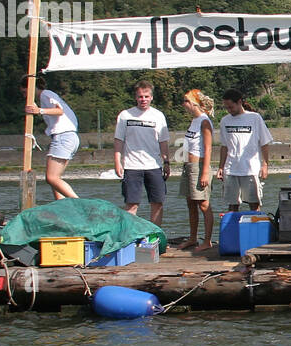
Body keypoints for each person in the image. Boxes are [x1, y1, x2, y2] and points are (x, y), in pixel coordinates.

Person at [113, 80, 170, 225]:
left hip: (154, 166)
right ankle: (129, 238)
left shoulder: (158, 116)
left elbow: (163, 142)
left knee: (157, 203)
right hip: (132, 167)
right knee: (132, 204)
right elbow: (118, 140)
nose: (143, 99)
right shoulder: (125, 115)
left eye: (146, 96)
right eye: (140, 96)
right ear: (135, 97)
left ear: (151, 97)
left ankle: (154, 237)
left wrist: (167, 162)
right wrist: (117, 162)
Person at [21, 75, 79, 199]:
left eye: (24, 92)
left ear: (31, 87)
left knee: (51, 177)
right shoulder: (44, 97)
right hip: (68, 137)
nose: (24, 96)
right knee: (55, 180)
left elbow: (60, 111)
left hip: (64, 137)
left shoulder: (45, 94)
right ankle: (62, 207)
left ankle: (81, 204)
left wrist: (39, 111)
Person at [216, 89, 273, 212]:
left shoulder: (254, 118)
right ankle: (233, 229)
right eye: (227, 108)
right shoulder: (225, 121)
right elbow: (224, 146)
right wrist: (221, 167)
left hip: (250, 169)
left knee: (254, 204)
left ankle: (255, 229)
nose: (229, 110)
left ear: (239, 102)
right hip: (231, 169)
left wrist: (265, 165)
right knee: (232, 205)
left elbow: (264, 143)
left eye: (231, 107)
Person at [178, 89, 215, 251]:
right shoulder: (194, 121)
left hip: (199, 166)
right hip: (189, 167)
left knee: (203, 204)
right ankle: (193, 238)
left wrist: (205, 172)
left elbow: (208, 149)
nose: (183, 104)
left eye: (186, 101)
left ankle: (207, 241)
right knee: (190, 203)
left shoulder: (204, 121)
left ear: (194, 103)